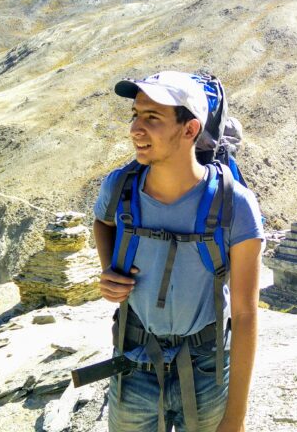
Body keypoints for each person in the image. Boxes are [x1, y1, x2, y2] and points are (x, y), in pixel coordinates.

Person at [92, 71, 264, 432]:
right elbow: (103, 223)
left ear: (190, 130)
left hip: (206, 368)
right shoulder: (119, 187)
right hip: (134, 359)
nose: (136, 128)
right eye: (135, 115)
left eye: (152, 118)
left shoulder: (235, 205)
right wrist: (110, 269)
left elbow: (246, 315)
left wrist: (236, 417)